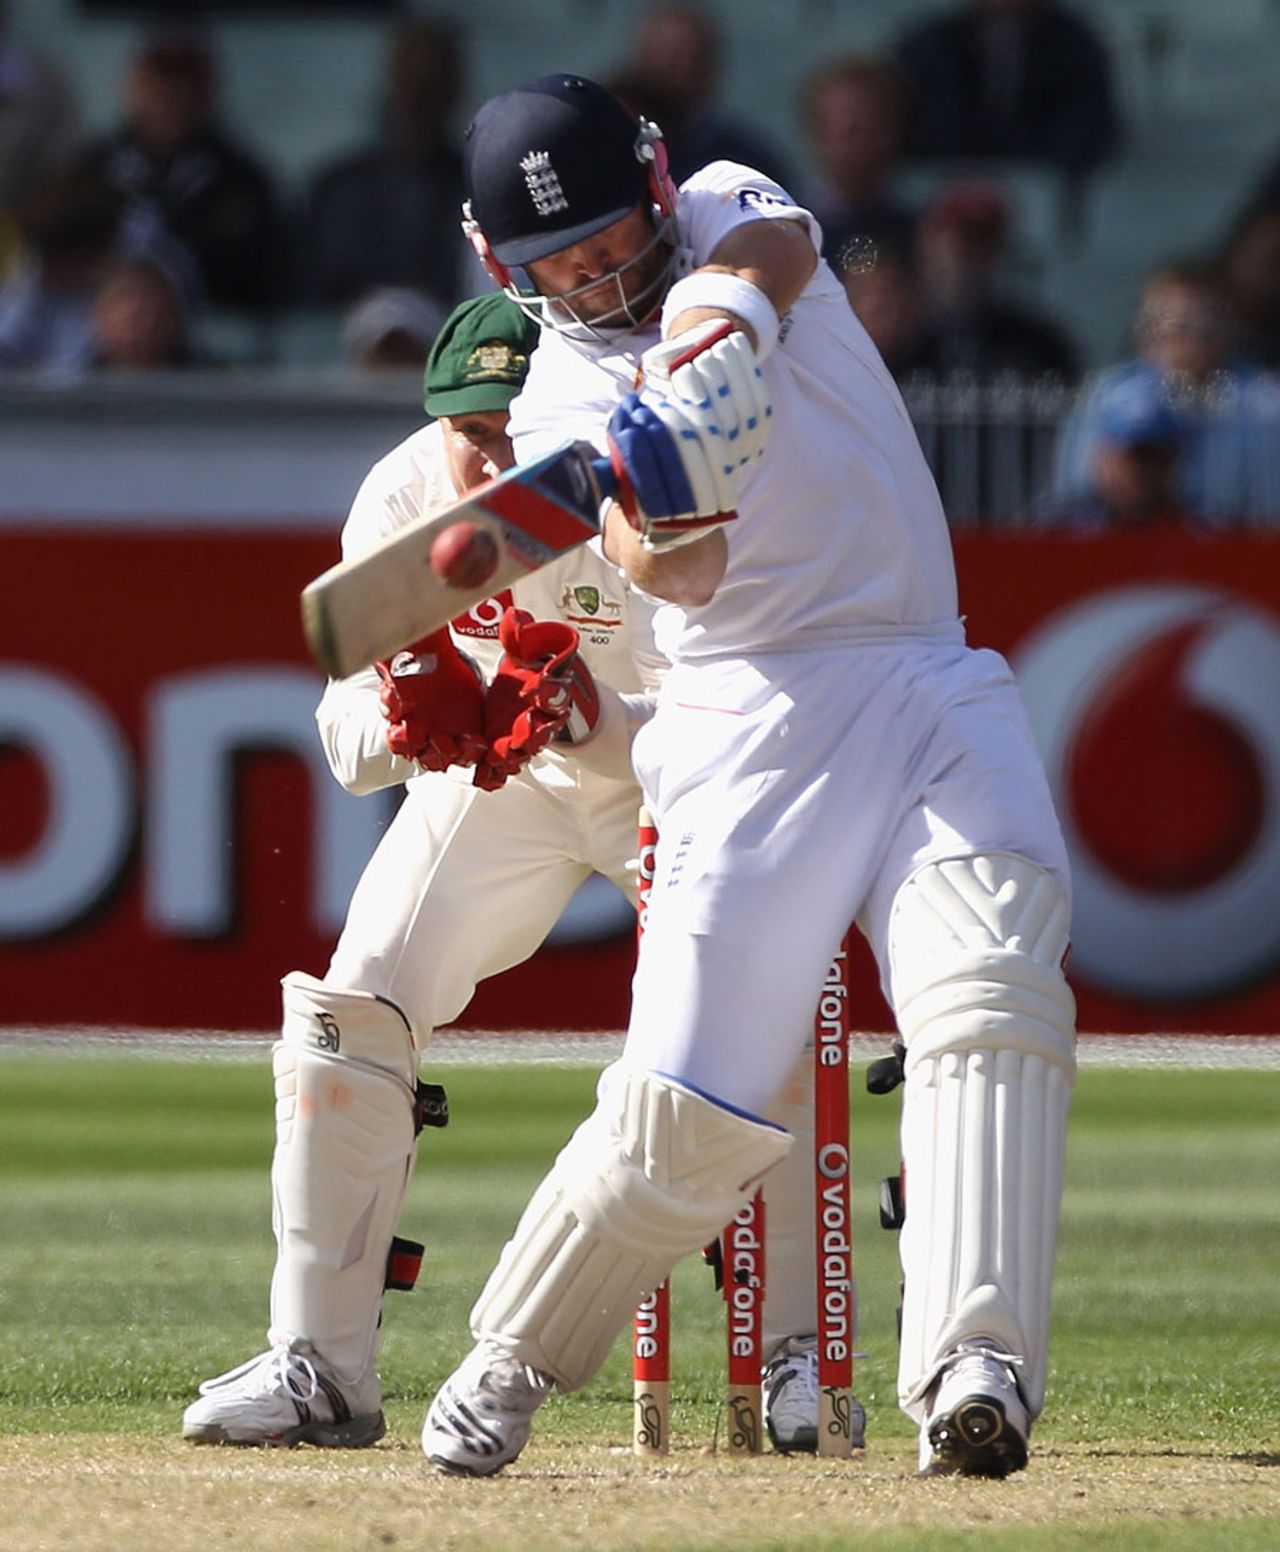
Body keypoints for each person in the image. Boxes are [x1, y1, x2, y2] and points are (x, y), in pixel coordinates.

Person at [423, 73, 1076, 1481]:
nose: (597, 275)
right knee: (692, 1111)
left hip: (922, 673)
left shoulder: (726, 208)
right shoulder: (557, 401)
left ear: (656, 193)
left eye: (612, 239)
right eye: (560, 264)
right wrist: (668, 475)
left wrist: (716, 334)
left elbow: (773, 255)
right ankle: (514, 1357)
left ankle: (977, 1368)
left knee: (993, 989)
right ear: (502, 270)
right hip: (746, 721)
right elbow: (687, 573)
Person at [180, 292, 844, 1456]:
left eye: (510, 429)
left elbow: (735, 724)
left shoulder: (645, 492)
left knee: (758, 1033)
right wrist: (411, 719)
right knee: (349, 1011)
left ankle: (792, 1354)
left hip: (667, 789)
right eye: (468, 431)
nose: (490, 459)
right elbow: (341, 739)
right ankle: (319, 1367)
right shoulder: (403, 495)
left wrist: (592, 719)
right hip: (503, 788)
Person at [1051, 259, 1280, 526]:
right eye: (1167, 318)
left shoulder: (1267, 404)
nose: (1183, 333)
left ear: (1231, 324)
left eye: (1200, 319)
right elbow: (1072, 492)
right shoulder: (1107, 394)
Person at [78, 28, 284, 314]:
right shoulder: (87, 172)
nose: (169, 96)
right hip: (97, 337)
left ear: (209, 91)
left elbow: (264, 284)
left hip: (215, 340)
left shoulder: (244, 182)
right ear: (131, 87)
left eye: (185, 83)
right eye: (158, 81)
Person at [295, 16, 468, 312]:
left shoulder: (479, 187)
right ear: (390, 80)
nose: (420, 91)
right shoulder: (336, 189)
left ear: (456, 87)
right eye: (410, 75)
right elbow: (308, 296)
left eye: (433, 77)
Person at [893, 0, 1120, 192]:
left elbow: (1088, 130)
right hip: (936, 192)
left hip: (1043, 197)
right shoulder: (926, 47)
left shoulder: (1078, 48)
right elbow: (901, 126)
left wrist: (1022, 172)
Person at [605, 2, 791, 188]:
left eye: (678, 57)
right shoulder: (609, 146)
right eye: (655, 55)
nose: (664, 69)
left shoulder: (743, 162)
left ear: (710, 70)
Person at [797, 55, 916, 277]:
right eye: (851, 130)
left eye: (877, 129)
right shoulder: (789, 233)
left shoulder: (920, 236)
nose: (864, 145)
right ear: (817, 135)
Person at [1031, 376, 1192, 530]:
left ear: (1173, 460)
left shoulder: (1196, 536)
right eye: (1129, 455)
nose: (1140, 469)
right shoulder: (1059, 529)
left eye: (1153, 456)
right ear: (1101, 454)